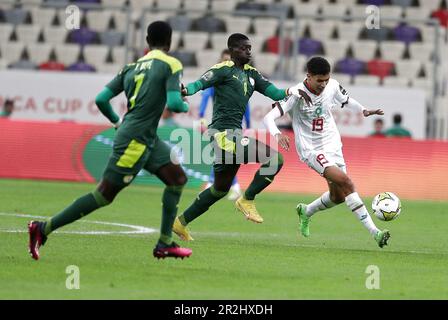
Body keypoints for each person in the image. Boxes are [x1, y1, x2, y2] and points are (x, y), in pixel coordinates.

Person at [27, 21, 193, 260]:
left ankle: (165, 243)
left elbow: (102, 99)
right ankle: (43, 228)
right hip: (136, 140)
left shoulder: (131, 67)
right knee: (103, 195)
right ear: (170, 42)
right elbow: (175, 104)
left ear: (147, 41)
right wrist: (185, 103)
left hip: (145, 137)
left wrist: (117, 122)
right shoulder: (171, 63)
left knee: (177, 179)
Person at [172, 33, 292, 241]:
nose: (249, 51)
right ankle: (247, 199)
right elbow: (200, 84)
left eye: (250, 48)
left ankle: (180, 223)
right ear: (233, 50)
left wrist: (298, 90)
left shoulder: (253, 74)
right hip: (222, 135)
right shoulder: (223, 69)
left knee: (220, 189)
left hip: (234, 136)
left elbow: (277, 94)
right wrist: (186, 89)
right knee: (274, 159)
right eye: (244, 48)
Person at [263, 56, 391, 248]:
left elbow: (346, 100)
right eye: (319, 80)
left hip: (333, 145)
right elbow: (268, 117)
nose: (323, 84)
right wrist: (277, 134)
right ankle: (375, 232)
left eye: (326, 79)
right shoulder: (297, 94)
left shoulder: (332, 85)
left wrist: (363, 110)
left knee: (338, 196)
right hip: (311, 150)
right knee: (346, 182)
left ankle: (306, 211)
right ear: (309, 76)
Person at [199, 49, 248, 201]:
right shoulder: (216, 78)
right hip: (219, 123)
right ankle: (232, 186)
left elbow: (247, 104)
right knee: (225, 156)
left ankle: (218, 184)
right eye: (224, 61)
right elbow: (205, 96)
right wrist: (201, 117)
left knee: (225, 156)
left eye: (230, 61)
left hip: (233, 124)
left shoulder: (240, 79)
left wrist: (249, 124)